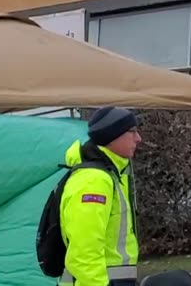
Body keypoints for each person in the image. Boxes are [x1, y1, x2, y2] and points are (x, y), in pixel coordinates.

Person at [59, 107, 141, 286]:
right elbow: (84, 254)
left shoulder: (112, 174)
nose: (138, 138)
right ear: (112, 136)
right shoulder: (93, 181)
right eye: (132, 132)